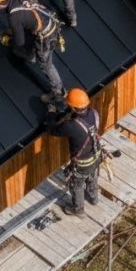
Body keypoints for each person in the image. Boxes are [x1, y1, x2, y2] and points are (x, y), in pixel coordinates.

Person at [0, 0, 65, 103]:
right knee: (27, 35)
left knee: (45, 65)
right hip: (50, 21)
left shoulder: (14, 17)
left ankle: (58, 91)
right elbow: (30, 15)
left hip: (46, 36)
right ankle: (33, 53)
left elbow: (20, 42)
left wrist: (10, 40)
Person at [47, 88, 103, 216]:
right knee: (92, 176)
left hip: (82, 164)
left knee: (77, 184)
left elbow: (52, 130)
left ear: (72, 107)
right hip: (96, 154)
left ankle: (78, 209)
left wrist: (51, 113)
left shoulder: (71, 126)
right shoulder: (94, 113)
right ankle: (93, 198)